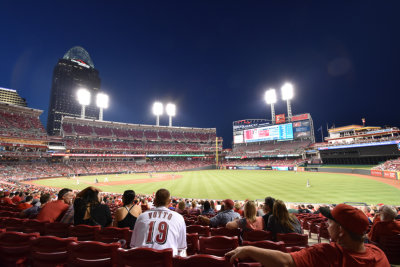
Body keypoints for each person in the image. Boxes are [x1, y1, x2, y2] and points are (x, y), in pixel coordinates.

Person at [226, 204, 390, 267]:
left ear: (341, 230)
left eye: (331, 221)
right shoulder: (379, 255)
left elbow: (285, 262)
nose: (326, 223)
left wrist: (249, 250)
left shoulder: (326, 253)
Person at [130, 188, 187, 256]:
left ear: (155, 201)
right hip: (167, 261)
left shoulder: (142, 217)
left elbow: (133, 245)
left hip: (143, 260)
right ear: (169, 202)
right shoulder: (179, 218)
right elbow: (181, 248)